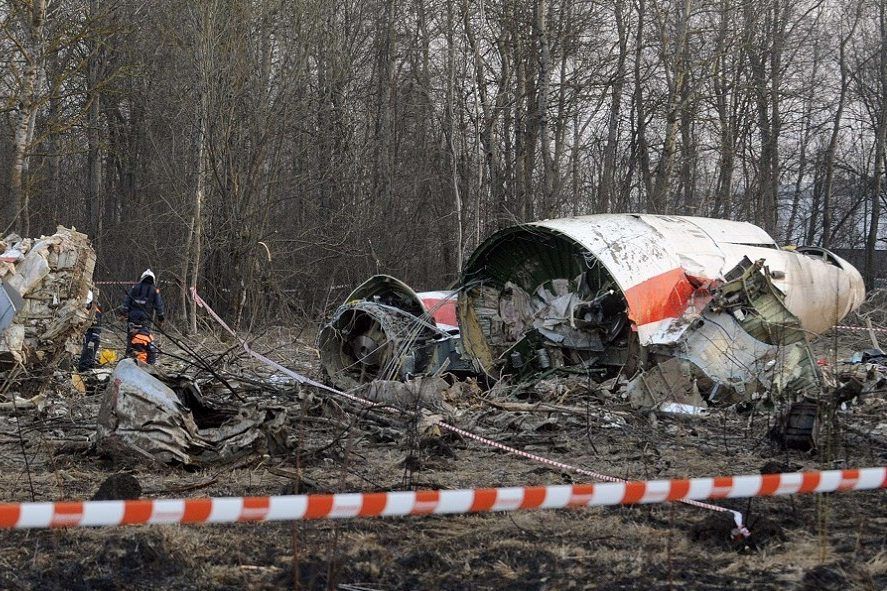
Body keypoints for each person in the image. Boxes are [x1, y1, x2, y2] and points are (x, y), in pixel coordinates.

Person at [122, 269, 165, 364]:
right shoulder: (154, 291)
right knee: (144, 336)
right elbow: (159, 305)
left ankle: (129, 356)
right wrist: (161, 317)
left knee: (131, 337)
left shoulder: (135, 287)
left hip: (132, 317)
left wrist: (124, 312)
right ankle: (147, 359)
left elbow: (127, 300)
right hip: (145, 318)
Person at [77, 290, 103, 371]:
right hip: (90, 335)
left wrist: (92, 340)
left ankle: (85, 371)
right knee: (87, 355)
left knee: (88, 356)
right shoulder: (91, 310)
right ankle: (86, 370)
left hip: (93, 337)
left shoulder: (95, 312)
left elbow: (97, 328)